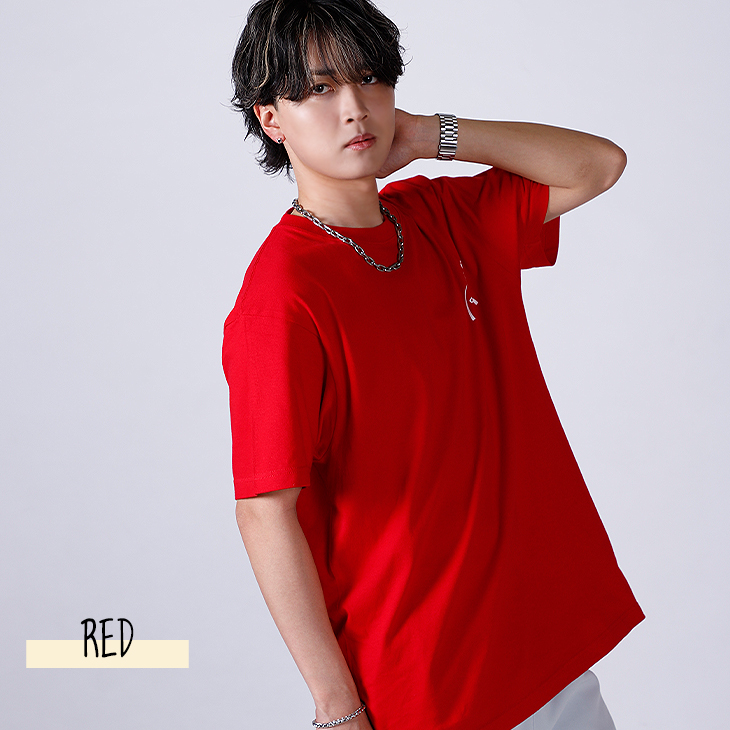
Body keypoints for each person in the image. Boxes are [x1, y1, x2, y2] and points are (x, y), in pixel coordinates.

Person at [222, 1, 644, 729]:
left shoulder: (444, 216)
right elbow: (265, 509)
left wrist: (425, 136)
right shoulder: (284, 295)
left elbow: (598, 166)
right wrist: (338, 709)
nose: (354, 108)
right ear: (272, 119)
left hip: (543, 651)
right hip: (432, 681)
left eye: (369, 78)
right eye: (318, 89)